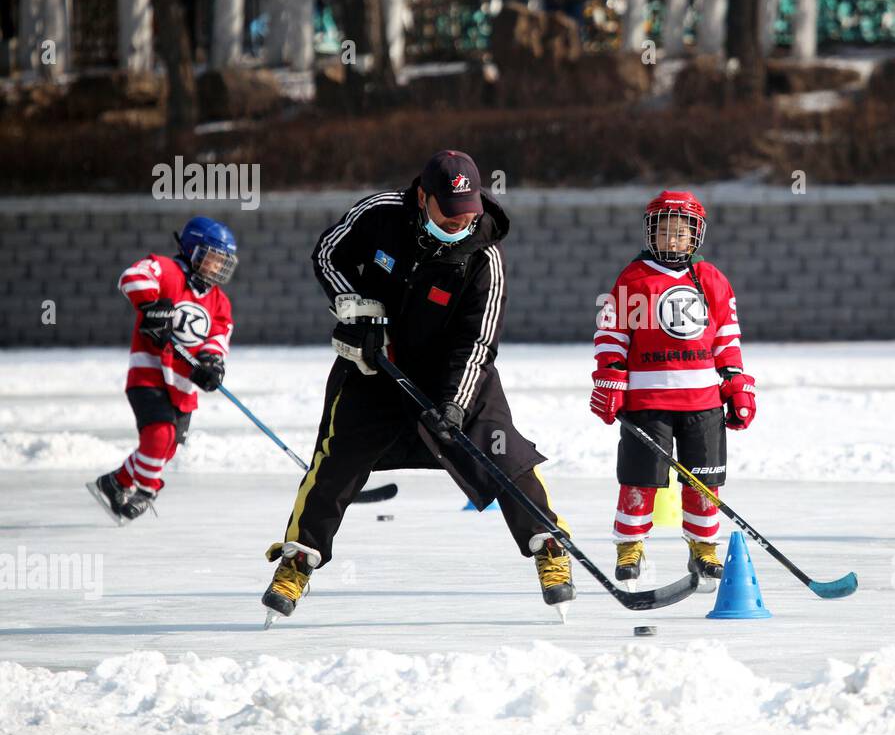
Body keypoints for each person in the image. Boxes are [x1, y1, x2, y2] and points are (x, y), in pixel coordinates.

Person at [261, 150, 576, 621]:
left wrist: (454, 403)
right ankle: (296, 562)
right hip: (377, 365)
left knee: (503, 453)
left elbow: (478, 342)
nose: (458, 225)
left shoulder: (484, 257)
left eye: (466, 215)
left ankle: (549, 547)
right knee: (335, 461)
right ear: (423, 197)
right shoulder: (380, 214)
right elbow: (327, 254)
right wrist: (356, 308)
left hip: (455, 373)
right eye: (447, 216)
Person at [590, 190, 757, 586]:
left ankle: (703, 548)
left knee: (704, 479)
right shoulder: (634, 278)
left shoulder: (712, 279)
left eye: (681, 233)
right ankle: (630, 547)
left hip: (702, 400)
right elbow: (612, 334)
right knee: (639, 478)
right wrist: (611, 375)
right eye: (664, 232)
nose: (673, 240)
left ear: (695, 236)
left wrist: (735, 383)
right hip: (648, 399)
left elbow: (727, 340)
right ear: (651, 233)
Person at [89, 217, 237, 522]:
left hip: (183, 385)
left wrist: (210, 363)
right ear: (193, 250)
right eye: (212, 258)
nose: (216, 266)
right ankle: (148, 489)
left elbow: (218, 335)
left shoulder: (218, 301)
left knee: (168, 446)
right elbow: (133, 277)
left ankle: (115, 483)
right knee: (158, 437)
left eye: (222, 261)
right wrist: (150, 306)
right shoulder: (167, 270)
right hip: (148, 374)